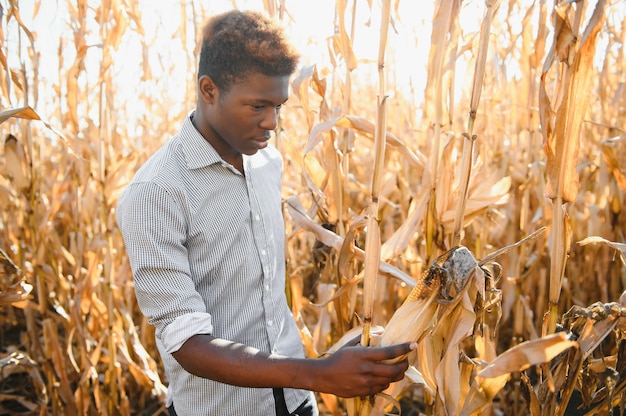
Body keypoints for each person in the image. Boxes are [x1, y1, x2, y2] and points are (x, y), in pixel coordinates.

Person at [116, 9, 414, 416]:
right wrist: (320, 374)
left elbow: (265, 298)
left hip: (294, 403)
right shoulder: (156, 193)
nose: (271, 122)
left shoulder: (265, 163)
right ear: (209, 90)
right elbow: (187, 344)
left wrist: (332, 359)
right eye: (257, 106)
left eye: (279, 106)